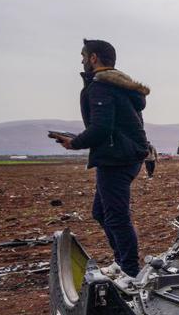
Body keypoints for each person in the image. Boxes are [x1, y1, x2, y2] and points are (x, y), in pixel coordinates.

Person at [54, 39, 148, 277]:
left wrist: (75, 143)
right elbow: (112, 125)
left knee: (116, 217)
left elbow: (102, 127)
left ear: (94, 58)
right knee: (102, 212)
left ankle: (130, 272)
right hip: (124, 154)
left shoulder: (101, 86)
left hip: (116, 158)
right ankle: (123, 263)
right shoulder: (119, 85)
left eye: (84, 56)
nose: (82, 60)